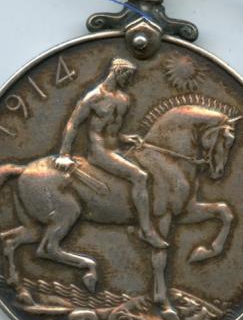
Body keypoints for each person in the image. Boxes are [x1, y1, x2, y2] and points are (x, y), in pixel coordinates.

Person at [54, 57, 167, 249]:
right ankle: (146, 231)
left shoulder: (124, 99)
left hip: (116, 149)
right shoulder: (94, 97)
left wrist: (125, 138)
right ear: (117, 72)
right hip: (99, 152)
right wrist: (64, 154)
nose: (129, 81)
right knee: (140, 176)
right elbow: (74, 124)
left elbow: (111, 129)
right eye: (128, 76)